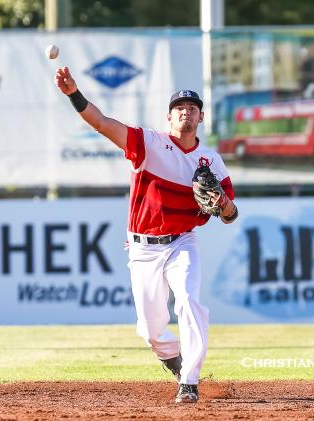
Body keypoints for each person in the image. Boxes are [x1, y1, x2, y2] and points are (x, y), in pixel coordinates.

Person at [54, 67, 238, 403]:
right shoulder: (149, 144)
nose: (186, 111)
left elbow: (230, 215)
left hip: (182, 241)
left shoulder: (211, 161)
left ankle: (190, 382)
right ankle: (174, 360)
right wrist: (73, 95)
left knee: (189, 300)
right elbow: (102, 123)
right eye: (180, 108)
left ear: (200, 119)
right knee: (151, 330)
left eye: (193, 108)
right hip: (143, 248)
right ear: (169, 118)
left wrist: (223, 203)